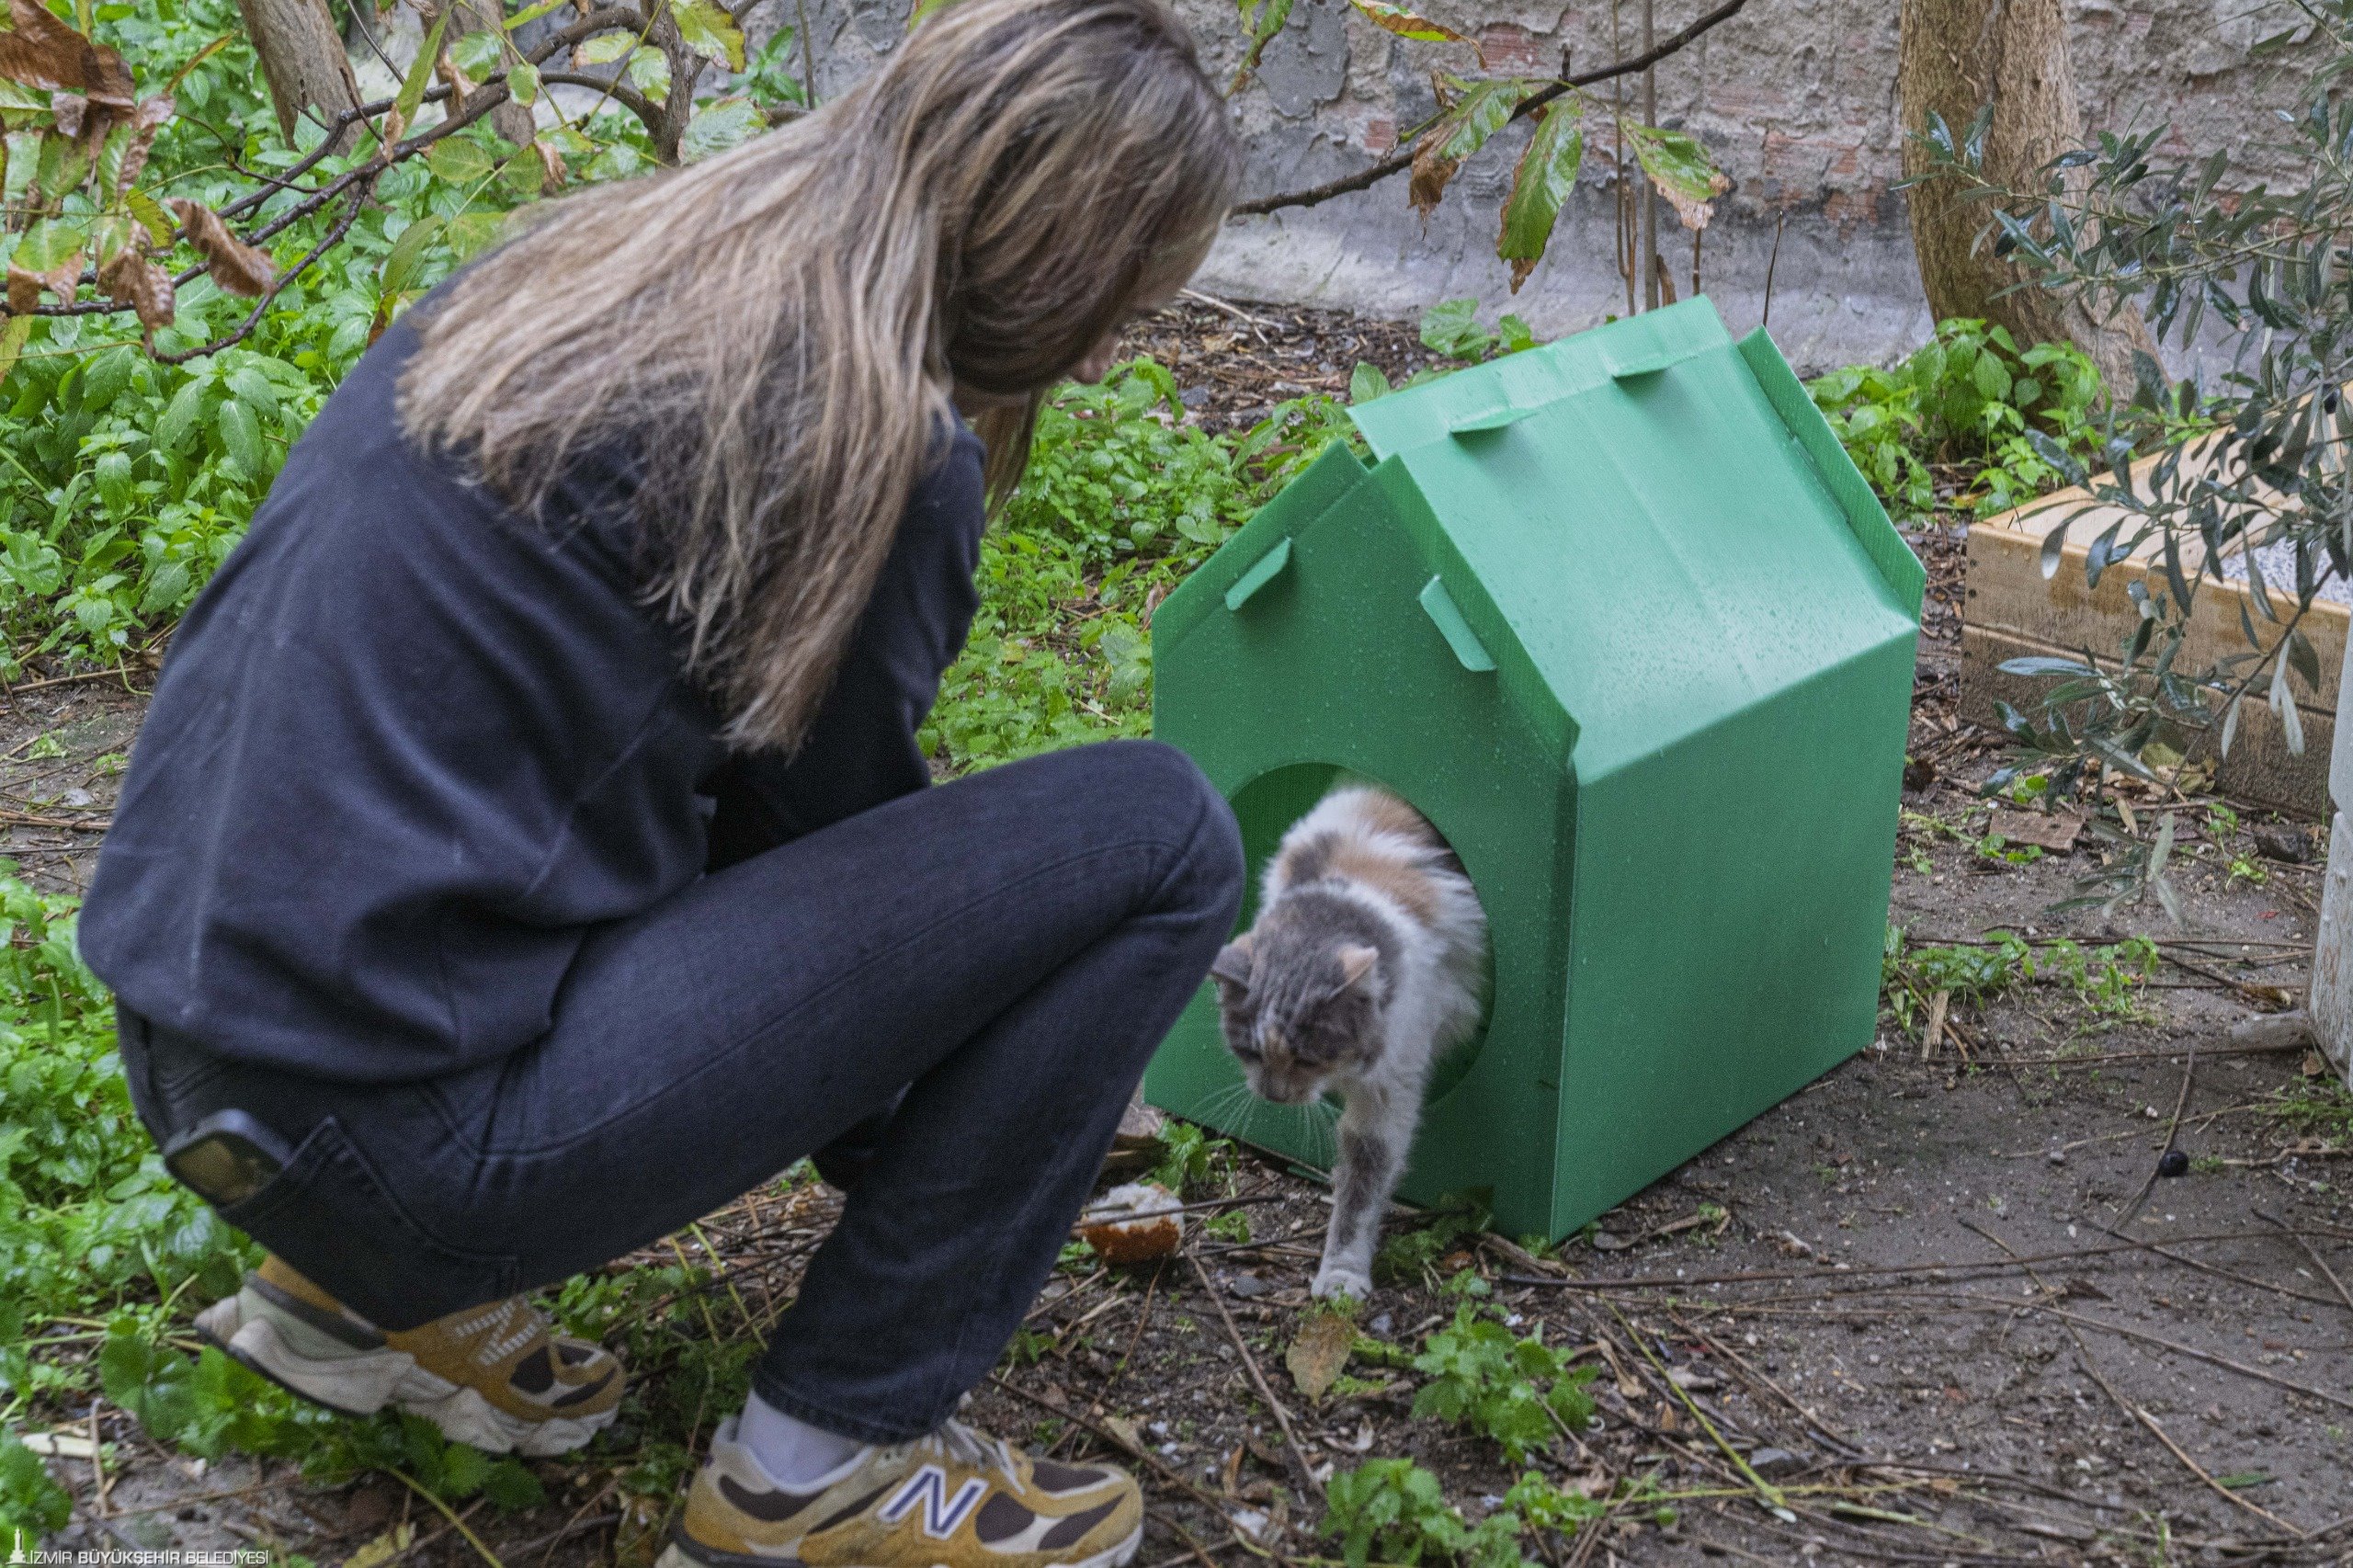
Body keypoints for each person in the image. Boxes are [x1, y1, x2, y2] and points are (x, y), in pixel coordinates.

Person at [80, 5, 1245, 1565]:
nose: (1113, 350)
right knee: (1160, 832)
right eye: (1120, 298)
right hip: (399, 1151)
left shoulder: (604, 263)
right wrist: (988, 1138)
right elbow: (834, 852)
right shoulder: (874, 437)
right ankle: (815, 1466)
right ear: (1042, 250)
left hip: (200, 1064)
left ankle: (353, 1300)